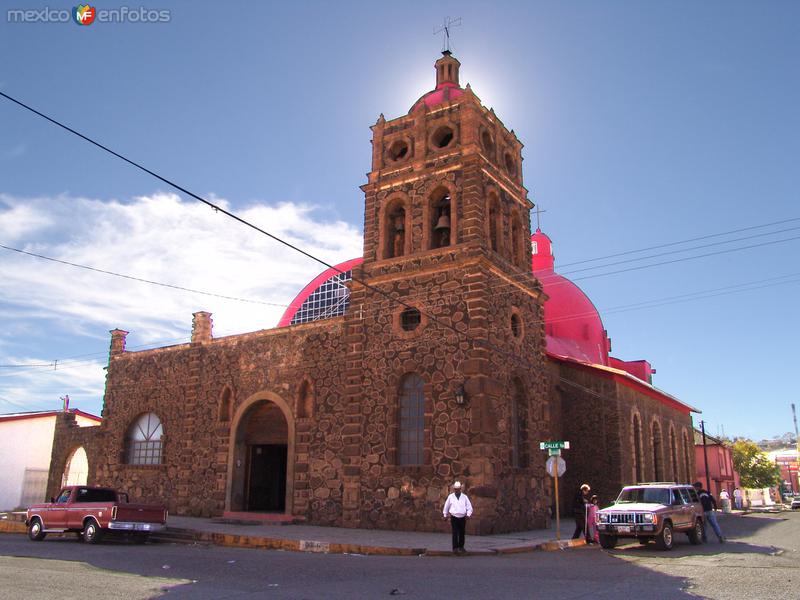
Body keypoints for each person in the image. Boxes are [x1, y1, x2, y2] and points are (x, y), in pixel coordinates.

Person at [442, 481, 473, 554]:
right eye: (455, 489)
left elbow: (469, 507)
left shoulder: (464, 497)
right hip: (454, 517)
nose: (456, 490)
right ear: (454, 489)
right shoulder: (451, 497)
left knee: (462, 533)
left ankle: (461, 547)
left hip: (462, 517)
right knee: (455, 532)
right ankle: (455, 548)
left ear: (460, 489)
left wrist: (468, 514)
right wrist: (445, 515)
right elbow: (446, 506)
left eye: (458, 489)